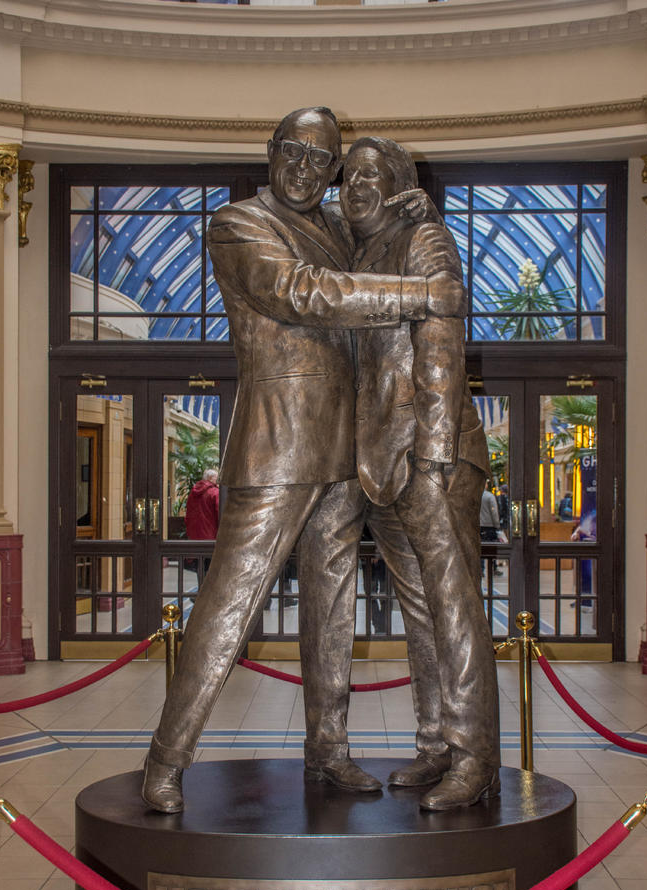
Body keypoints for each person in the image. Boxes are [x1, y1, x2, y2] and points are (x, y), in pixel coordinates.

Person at [142, 107, 462, 813]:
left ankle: (329, 748)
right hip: (277, 446)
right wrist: (420, 295)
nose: (304, 169)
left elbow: (382, 222)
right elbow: (299, 293)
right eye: (293, 151)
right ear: (271, 150)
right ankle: (165, 759)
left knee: (332, 606)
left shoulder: (338, 227)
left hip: (347, 449)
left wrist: (416, 208)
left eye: (322, 161)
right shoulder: (238, 224)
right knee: (229, 604)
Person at [300, 137, 500, 811]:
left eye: (371, 175)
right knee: (420, 607)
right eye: (348, 176)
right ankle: (436, 744)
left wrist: (435, 454)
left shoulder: (423, 238)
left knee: (453, 608)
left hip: (429, 453)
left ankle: (474, 760)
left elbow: (440, 346)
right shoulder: (355, 249)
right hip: (380, 460)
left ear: (396, 186)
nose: (354, 186)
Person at [184, 468, 219, 540]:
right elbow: (219, 512)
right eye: (217, 478)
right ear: (210, 478)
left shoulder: (193, 492)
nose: (218, 480)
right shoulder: (215, 492)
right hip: (209, 533)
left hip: (193, 533)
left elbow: (188, 510)